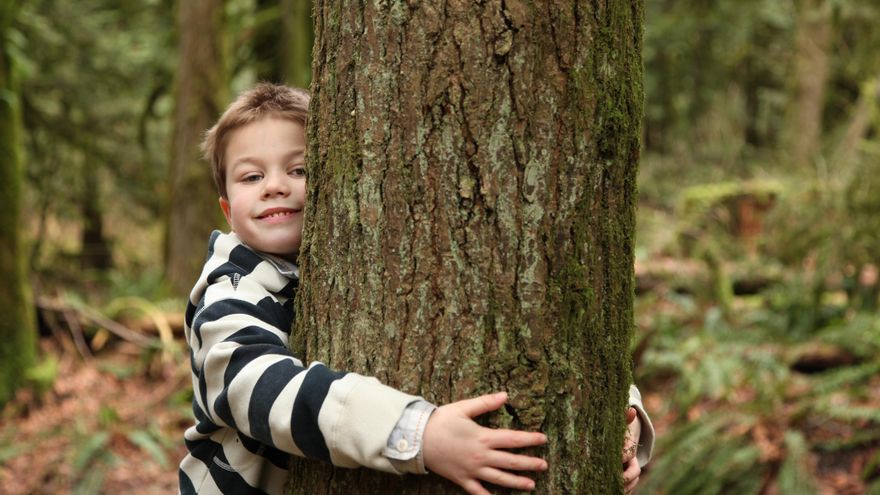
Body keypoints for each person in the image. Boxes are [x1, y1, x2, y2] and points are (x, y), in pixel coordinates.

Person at [178, 83, 653, 495]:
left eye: (299, 170)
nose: (275, 186)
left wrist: (620, 419)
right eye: (252, 176)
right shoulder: (226, 298)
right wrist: (415, 433)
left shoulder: (340, 263)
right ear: (227, 209)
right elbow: (262, 390)